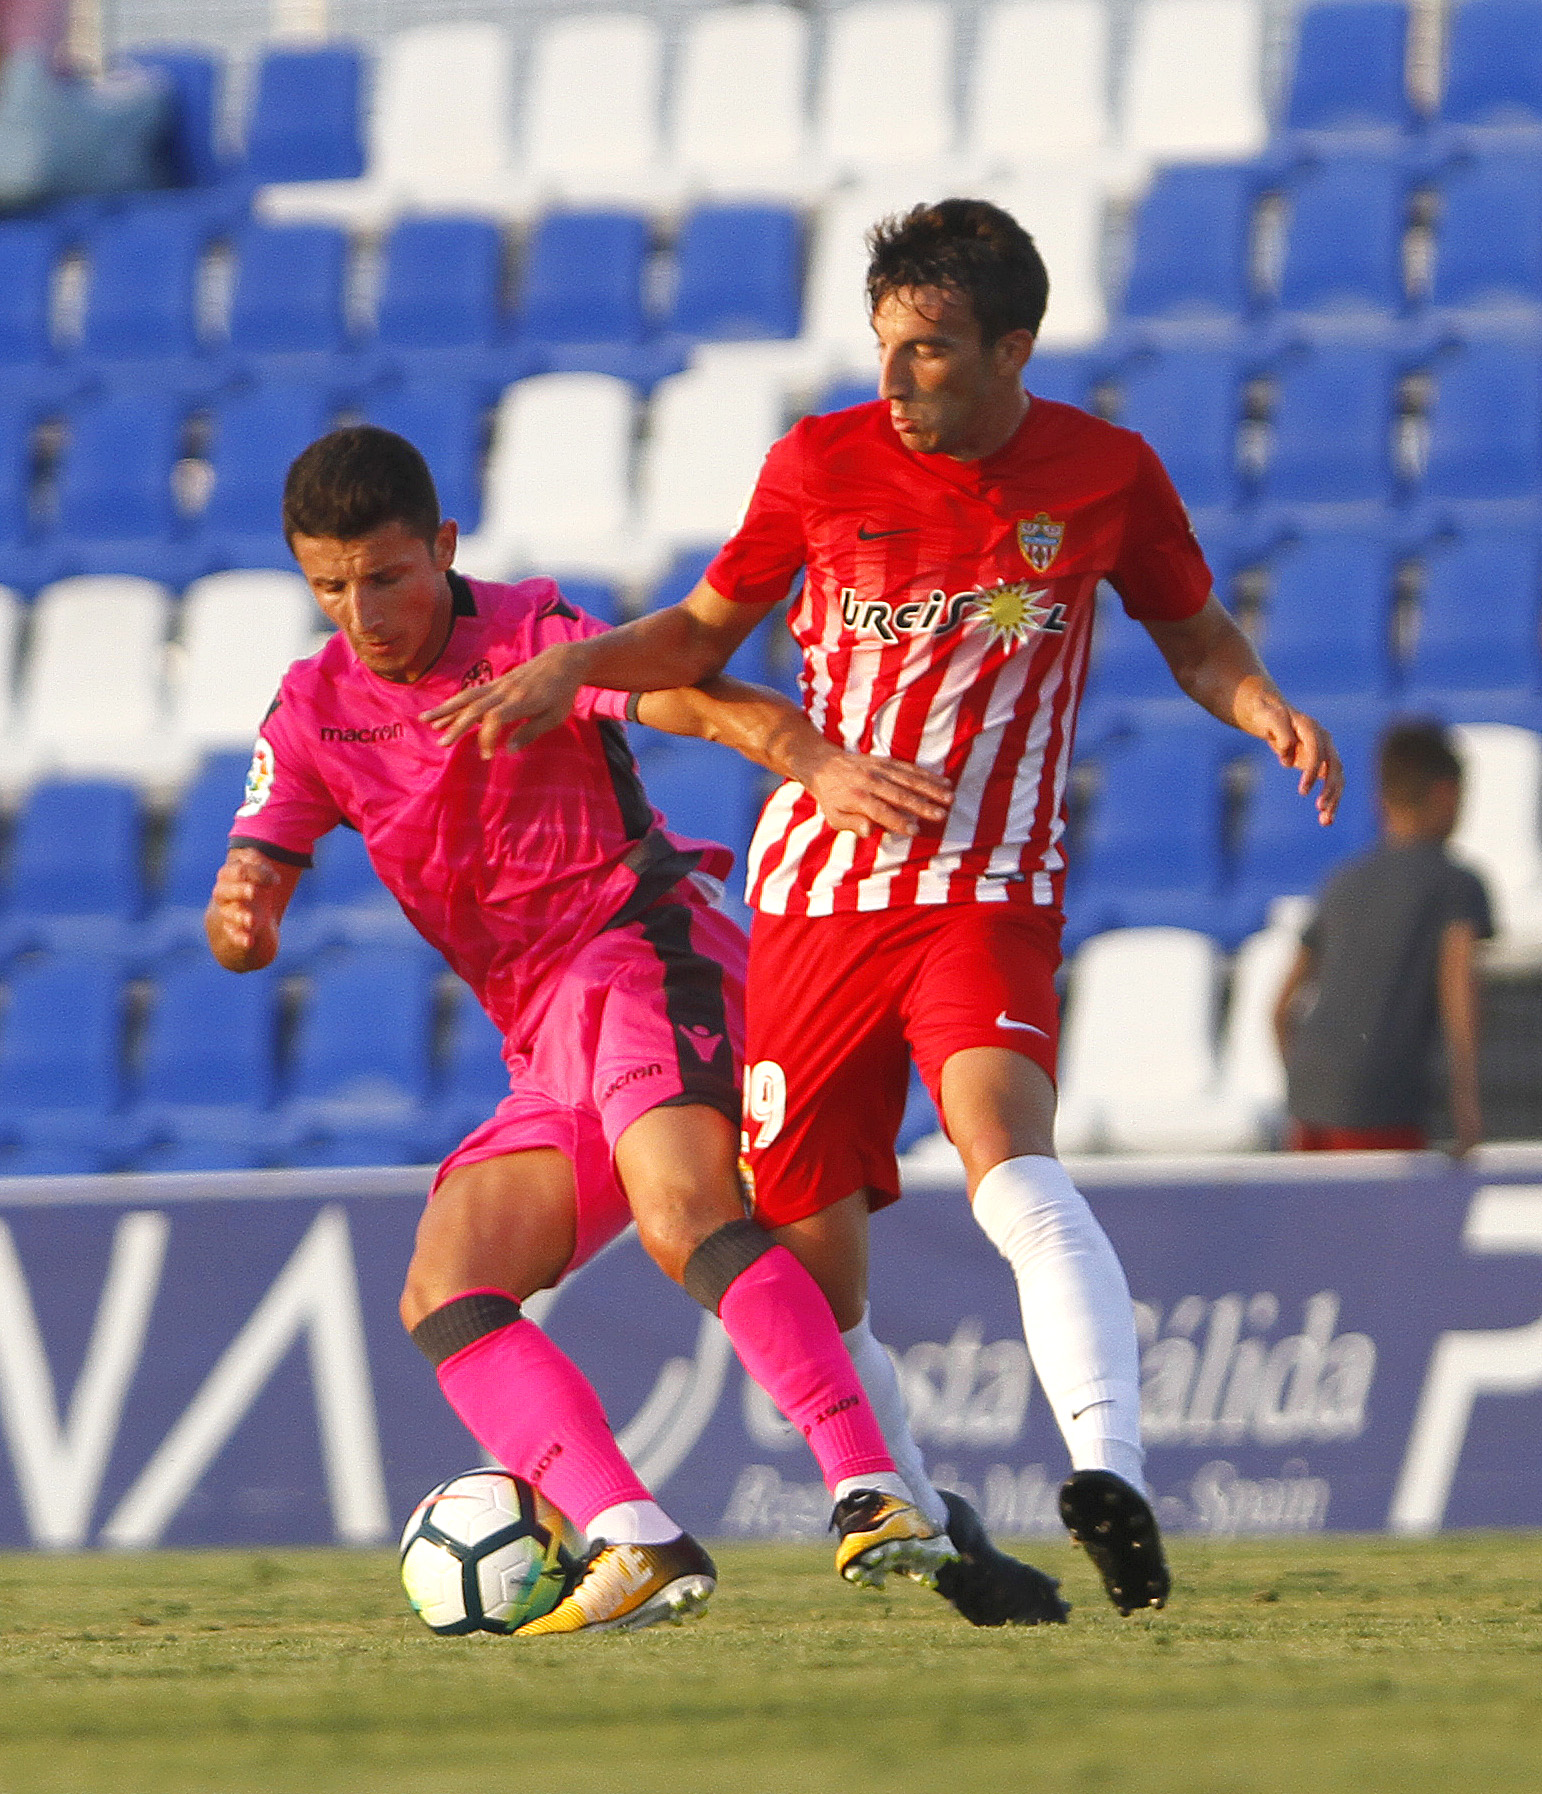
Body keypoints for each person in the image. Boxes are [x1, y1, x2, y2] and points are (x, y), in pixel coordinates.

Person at [424, 198, 1344, 1617]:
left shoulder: (1106, 475)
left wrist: (1260, 700)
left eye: (930, 350)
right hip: (814, 901)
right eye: (885, 347)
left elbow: (1194, 635)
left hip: (986, 885)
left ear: (1011, 349)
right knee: (810, 1265)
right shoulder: (819, 462)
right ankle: (918, 1515)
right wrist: (578, 663)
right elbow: (702, 632)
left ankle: (1112, 1474)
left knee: (1004, 1150)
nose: (898, 379)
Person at [205, 424, 973, 1638]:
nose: (363, 614)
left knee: (683, 1211)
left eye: (386, 577)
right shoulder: (313, 708)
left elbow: (694, 695)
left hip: (640, 949)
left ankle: (871, 1491)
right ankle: (634, 1536)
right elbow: (255, 873)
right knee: (447, 1287)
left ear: (443, 546)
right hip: (543, 1034)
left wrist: (809, 758)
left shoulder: (531, 635)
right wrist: (241, 913)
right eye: (331, 587)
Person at [1274, 719, 1491, 1157]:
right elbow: (1459, 998)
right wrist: (1467, 1105)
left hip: (1310, 1102)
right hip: (1383, 1105)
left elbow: (1280, 1011)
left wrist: (1305, 1089)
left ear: (1381, 799)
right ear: (1447, 795)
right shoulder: (1455, 885)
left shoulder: (1341, 882)